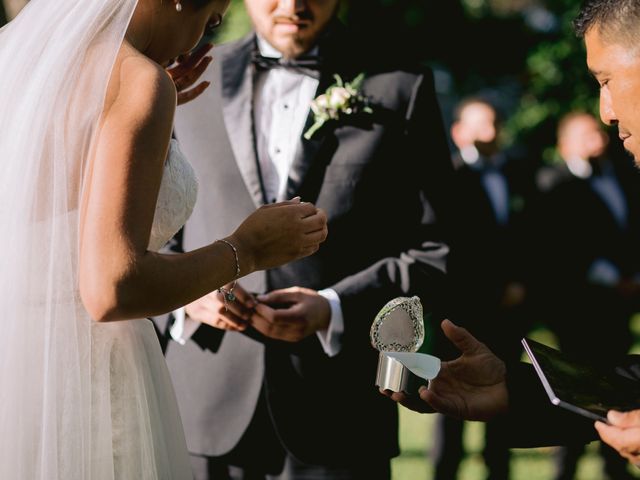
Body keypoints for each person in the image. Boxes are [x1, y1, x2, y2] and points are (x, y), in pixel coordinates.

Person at [0, 1, 328, 479]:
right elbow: (113, 288)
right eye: (210, 18)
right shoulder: (136, 83)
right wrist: (246, 249)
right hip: (85, 382)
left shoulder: (22, 63)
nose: (197, 39)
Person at [153, 0, 454, 478]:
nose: (294, 5)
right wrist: (189, 295)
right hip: (202, 407)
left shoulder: (400, 86)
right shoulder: (183, 78)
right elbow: (150, 229)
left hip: (339, 408)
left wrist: (334, 307)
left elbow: (439, 248)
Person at [383, 0, 640, 468]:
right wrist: (512, 390)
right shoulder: (453, 179)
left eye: (605, 81)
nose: (604, 113)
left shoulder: (528, 178)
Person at [434, 97, 537, 479]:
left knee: (503, 394)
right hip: (462, 310)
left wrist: (520, 283)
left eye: (494, 124)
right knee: (449, 400)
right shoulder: (447, 177)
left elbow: (528, 237)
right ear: (458, 132)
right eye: (481, 125)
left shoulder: (517, 175)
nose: (490, 134)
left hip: (509, 310)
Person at [535, 111, 640, 479]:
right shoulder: (552, 182)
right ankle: (566, 467)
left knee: (619, 383)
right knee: (575, 391)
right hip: (577, 309)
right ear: (564, 144)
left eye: (598, 133)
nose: (597, 139)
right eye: (585, 134)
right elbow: (559, 247)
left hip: (618, 308)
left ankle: (617, 464)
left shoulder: (623, 176)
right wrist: (611, 277)